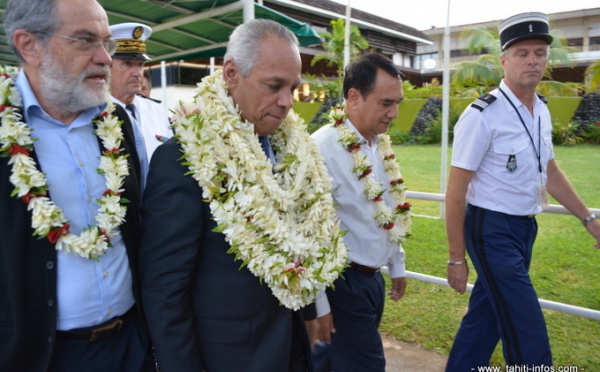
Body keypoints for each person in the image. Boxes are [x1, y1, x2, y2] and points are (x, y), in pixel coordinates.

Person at [138, 19, 347, 372]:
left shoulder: (291, 152)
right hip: (229, 358)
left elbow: (298, 240)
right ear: (231, 73)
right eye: (274, 85)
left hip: (291, 345)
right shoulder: (185, 159)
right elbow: (165, 292)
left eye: (293, 88)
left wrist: (312, 309)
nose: (286, 103)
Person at [0, 0, 155, 371]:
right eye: (86, 41)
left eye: (106, 43)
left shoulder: (115, 120)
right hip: (42, 356)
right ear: (28, 45)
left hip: (132, 343)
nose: (104, 58)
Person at [444, 11, 600, 370]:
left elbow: (551, 171)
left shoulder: (540, 110)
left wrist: (589, 219)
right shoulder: (482, 114)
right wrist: (456, 257)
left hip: (524, 228)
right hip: (490, 230)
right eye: (522, 53)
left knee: (485, 319)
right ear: (504, 60)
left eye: (539, 53)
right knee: (525, 326)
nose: (532, 60)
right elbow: (456, 191)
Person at [310, 53, 412, 372]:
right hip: (342, 284)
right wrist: (320, 306)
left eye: (397, 102)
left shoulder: (378, 144)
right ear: (354, 97)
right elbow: (309, 233)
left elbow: (387, 209)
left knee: (331, 362)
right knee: (367, 365)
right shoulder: (321, 148)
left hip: (373, 279)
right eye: (385, 103)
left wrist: (397, 263)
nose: (393, 113)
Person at [109, 22, 173, 160]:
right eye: (127, 64)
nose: (138, 73)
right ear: (107, 66)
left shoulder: (156, 110)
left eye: (140, 65)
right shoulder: (95, 112)